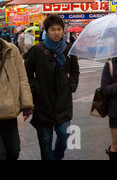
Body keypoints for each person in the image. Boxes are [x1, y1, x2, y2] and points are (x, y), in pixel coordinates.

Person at [25, 14, 80, 160]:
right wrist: (34, 88)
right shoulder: (37, 50)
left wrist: (71, 85)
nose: (56, 33)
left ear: (63, 30)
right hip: (43, 103)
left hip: (63, 101)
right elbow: (27, 72)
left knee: (65, 134)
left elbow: (75, 70)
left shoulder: (68, 49)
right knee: (45, 140)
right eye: (53, 30)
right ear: (46, 31)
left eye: (59, 29)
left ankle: (56, 156)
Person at [0, 39, 33, 160]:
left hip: (9, 111)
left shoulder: (11, 49)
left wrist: (27, 104)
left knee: (14, 151)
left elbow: (22, 77)